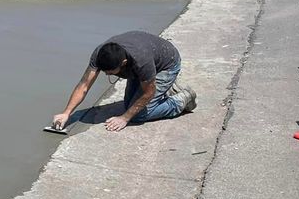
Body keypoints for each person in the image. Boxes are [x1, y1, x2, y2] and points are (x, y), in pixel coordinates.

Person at [51, 30, 196, 133]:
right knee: (129, 105)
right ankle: (164, 88)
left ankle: (181, 100)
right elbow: (84, 85)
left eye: (110, 72)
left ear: (124, 63)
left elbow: (148, 92)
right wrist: (66, 113)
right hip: (146, 63)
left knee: (138, 115)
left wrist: (125, 118)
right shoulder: (100, 53)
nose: (106, 74)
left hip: (167, 64)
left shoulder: (141, 61)